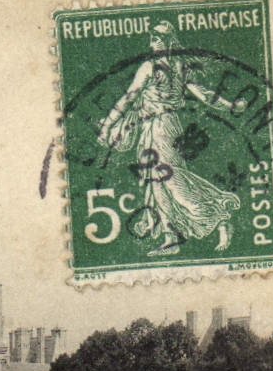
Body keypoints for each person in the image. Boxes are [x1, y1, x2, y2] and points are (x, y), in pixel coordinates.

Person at [96, 21, 251, 256]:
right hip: (166, 126)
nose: (153, 40)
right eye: (152, 37)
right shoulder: (179, 65)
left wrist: (107, 126)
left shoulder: (150, 67)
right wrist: (230, 106)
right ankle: (172, 237)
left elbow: (128, 98)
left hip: (158, 128)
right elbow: (205, 94)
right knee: (158, 183)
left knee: (172, 182)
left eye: (157, 37)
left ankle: (218, 216)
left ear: (168, 41)